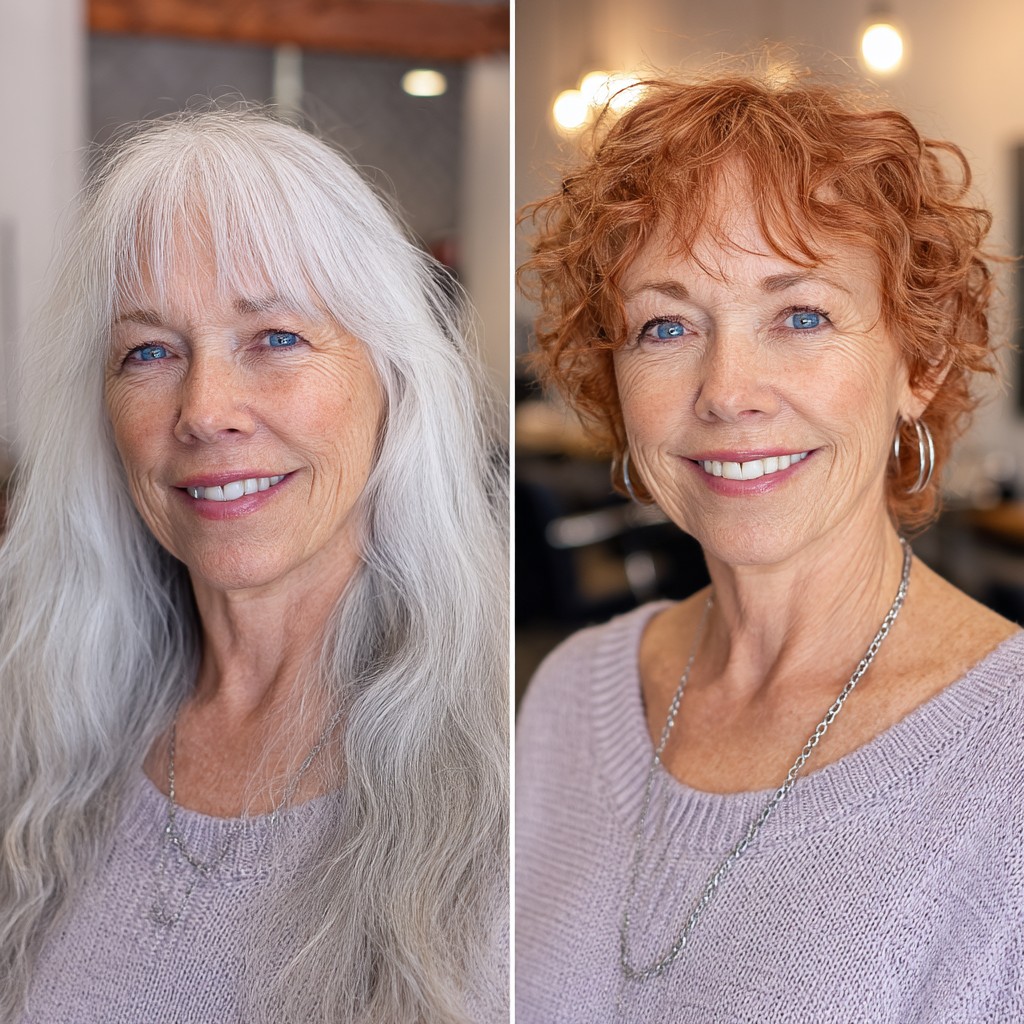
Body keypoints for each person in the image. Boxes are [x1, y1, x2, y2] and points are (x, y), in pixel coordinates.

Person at [516, 71, 1024, 1022]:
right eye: (666, 325)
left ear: (919, 362)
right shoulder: (568, 697)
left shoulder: (1006, 768)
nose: (726, 391)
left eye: (800, 315)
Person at [0, 108, 507, 1024]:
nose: (205, 409)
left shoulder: (518, 780)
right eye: (149, 352)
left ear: (393, 381)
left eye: (274, 338)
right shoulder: (37, 732)